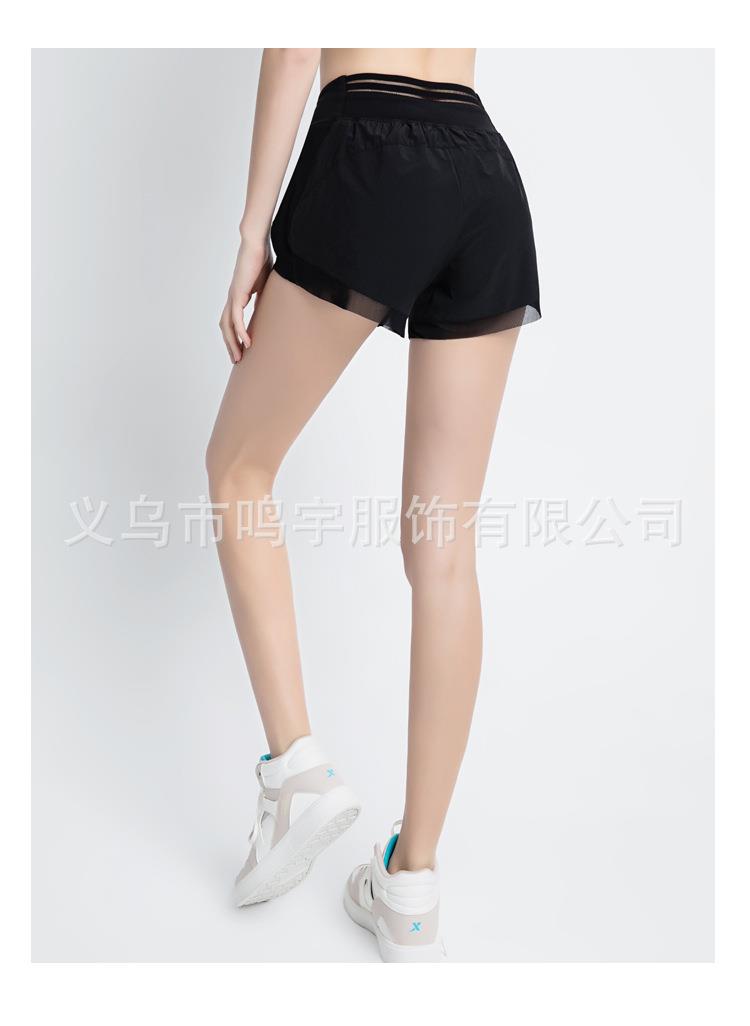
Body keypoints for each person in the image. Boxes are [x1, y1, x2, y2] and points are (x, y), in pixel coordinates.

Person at [207, 48, 540, 962]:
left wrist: (253, 234)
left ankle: (296, 771)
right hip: (483, 167)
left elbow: (294, 46)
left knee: (237, 468)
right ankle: (411, 888)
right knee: (444, 548)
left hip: (370, 147)